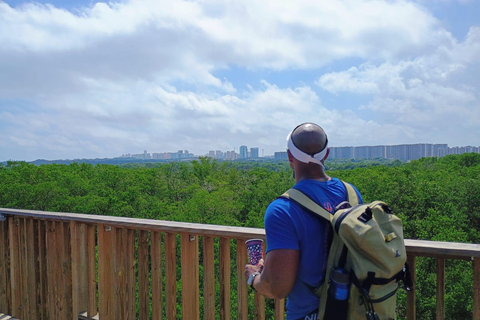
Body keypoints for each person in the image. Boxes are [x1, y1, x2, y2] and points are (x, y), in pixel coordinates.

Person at [245, 122, 363, 320]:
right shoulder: (351, 194)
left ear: (290, 156)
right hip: (353, 310)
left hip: (308, 314)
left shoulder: (282, 209)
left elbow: (277, 288)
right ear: (326, 154)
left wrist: (254, 277)